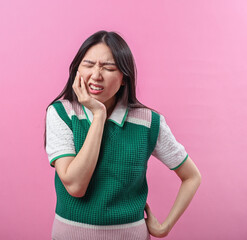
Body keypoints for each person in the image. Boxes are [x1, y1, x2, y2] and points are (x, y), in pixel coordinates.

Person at [44, 30, 201, 240]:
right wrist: (99, 114)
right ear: (76, 71)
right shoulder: (61, 113)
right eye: (88, 65)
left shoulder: (148, 122)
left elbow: (192, 176)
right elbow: (75, 186)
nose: (96, 75)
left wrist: (164, 228)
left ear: (124, 78)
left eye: (108, 68)